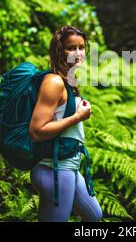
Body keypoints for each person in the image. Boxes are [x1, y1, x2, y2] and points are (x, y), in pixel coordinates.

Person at [28, 25, 103, 222]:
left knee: (94, 216)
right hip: (54, 169)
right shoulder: (54, 83)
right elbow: (36, 131)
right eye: (71, 48)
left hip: (68, 166)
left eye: (81, 47)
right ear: (59, 50)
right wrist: (77, 117)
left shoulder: (68, 80)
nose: (78, 54)